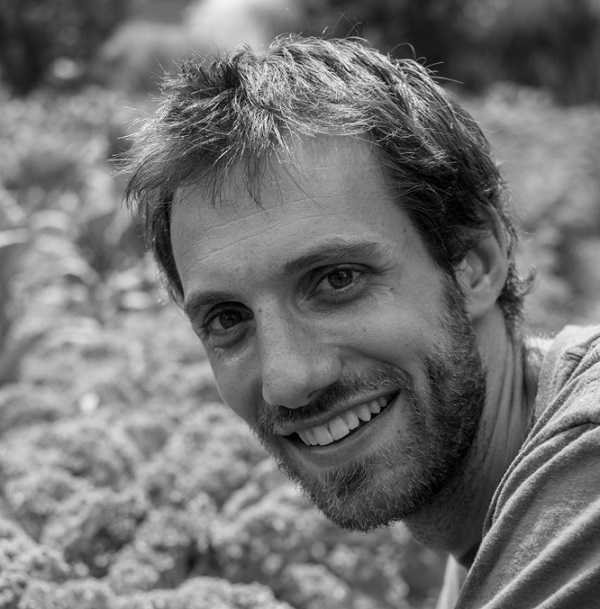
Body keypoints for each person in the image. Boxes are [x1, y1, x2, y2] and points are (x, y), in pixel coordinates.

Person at [125, 35, 600, 608]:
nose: (287, 379)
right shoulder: (495, 523)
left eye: (336, 280)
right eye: (228, 318)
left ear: (476, 264)